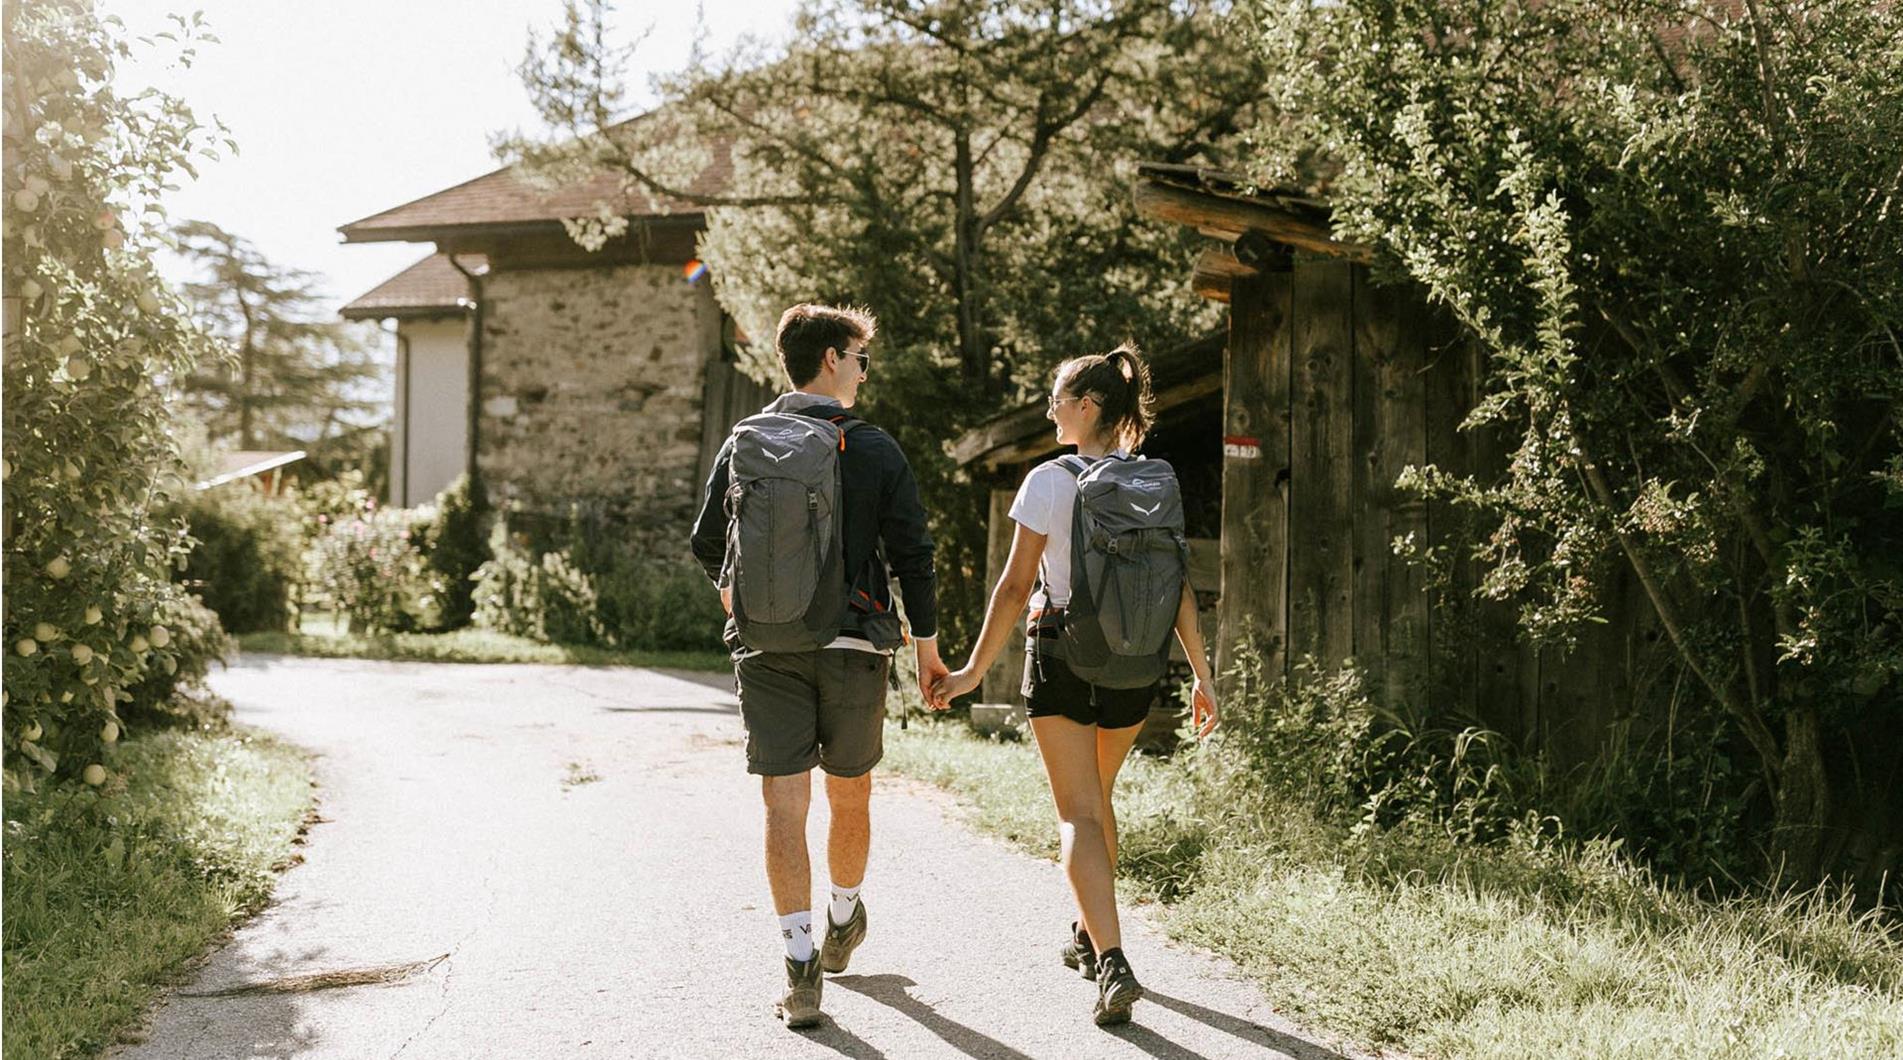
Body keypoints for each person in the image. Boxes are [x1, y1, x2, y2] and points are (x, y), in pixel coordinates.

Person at [933, 343, 1218, 1027]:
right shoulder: (1154, 481)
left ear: (1086, 406)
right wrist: (1203, 678)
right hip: (1134, 668)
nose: (1049, 407)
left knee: (1077, 814)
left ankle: (1113, 960)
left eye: (1057, 396)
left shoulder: (1049, 480)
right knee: (1099, 800)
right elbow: (1176, 587)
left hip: (1062, 657)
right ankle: (1089, 936)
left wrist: (972, 671)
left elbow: (1010, 587)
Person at [690, 303, 949, 1029]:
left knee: (782, 805)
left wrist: (740, 599)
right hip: (854, 649)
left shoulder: (745, 440)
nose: (864, 372)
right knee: (851, 795)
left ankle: (800, 968)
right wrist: (927, 651)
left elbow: (706, 540)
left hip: (767, 647)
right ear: (832, 358)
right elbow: (913, 556)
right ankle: (842, 916)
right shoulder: (872, 448)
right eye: (860, 358)